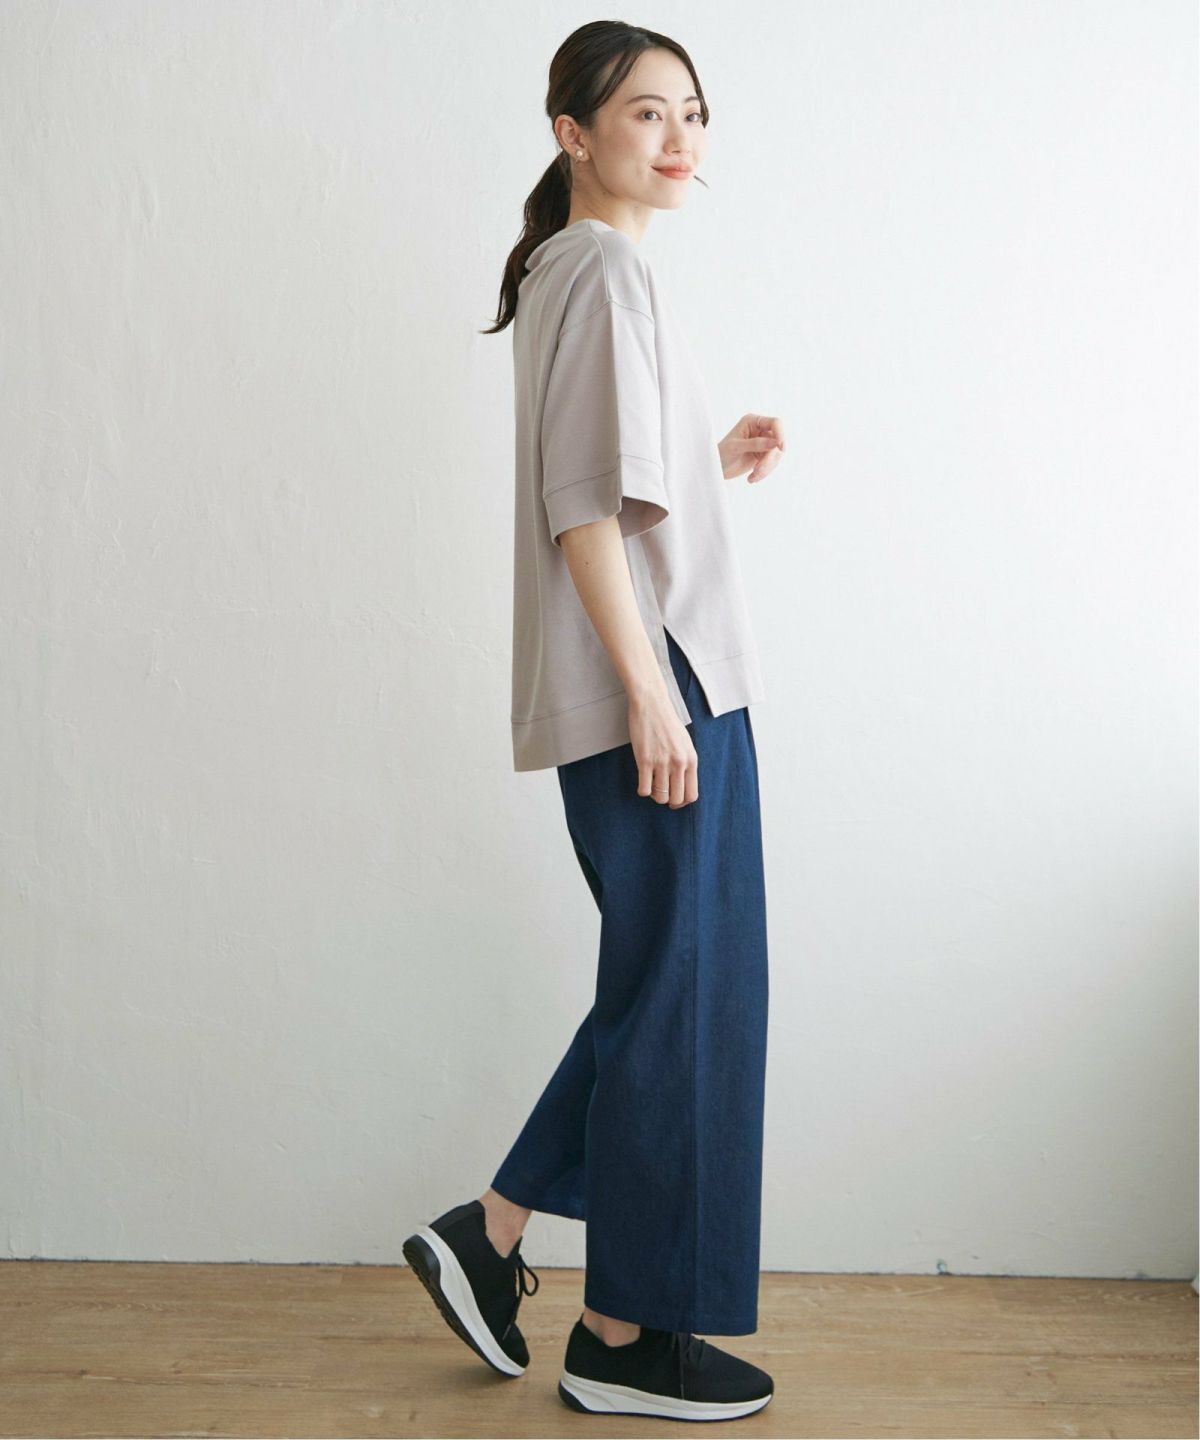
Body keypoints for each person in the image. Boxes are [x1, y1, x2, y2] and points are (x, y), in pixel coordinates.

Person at [403, 20, 786, 1423]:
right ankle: (621, 1335)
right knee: (686, 1005)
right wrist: (648, 695)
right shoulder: (607, 270)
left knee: (666, 992)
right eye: (645, 113)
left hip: (659, 676)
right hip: (666, 688)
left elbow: (614, 492)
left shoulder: (570, 269)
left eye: (693, 111)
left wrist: (705, 465)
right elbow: (581, 512)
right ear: (573, 133)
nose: (681, 138)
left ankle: (494, 1235)